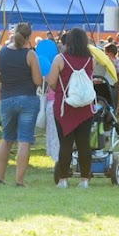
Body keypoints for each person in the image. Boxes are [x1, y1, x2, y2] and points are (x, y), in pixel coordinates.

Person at [0, 22, 42, 187]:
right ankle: (19, 180)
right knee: (24, 140)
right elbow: (38, 81)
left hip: (7, 99)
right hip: (27, 99)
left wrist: (4, 79)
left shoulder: (2, 52)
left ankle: (0, 177)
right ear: (29, 37)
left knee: (6, 138)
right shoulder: (30, 55)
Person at [45, 28, 96, 189]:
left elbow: (52, 82)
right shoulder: (91, 59)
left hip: (64, 106)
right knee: (84, 143)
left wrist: (61, 90)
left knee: (65, 143)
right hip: (86, 107)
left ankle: (63, 179)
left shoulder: (60, 59)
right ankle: (84, 179)